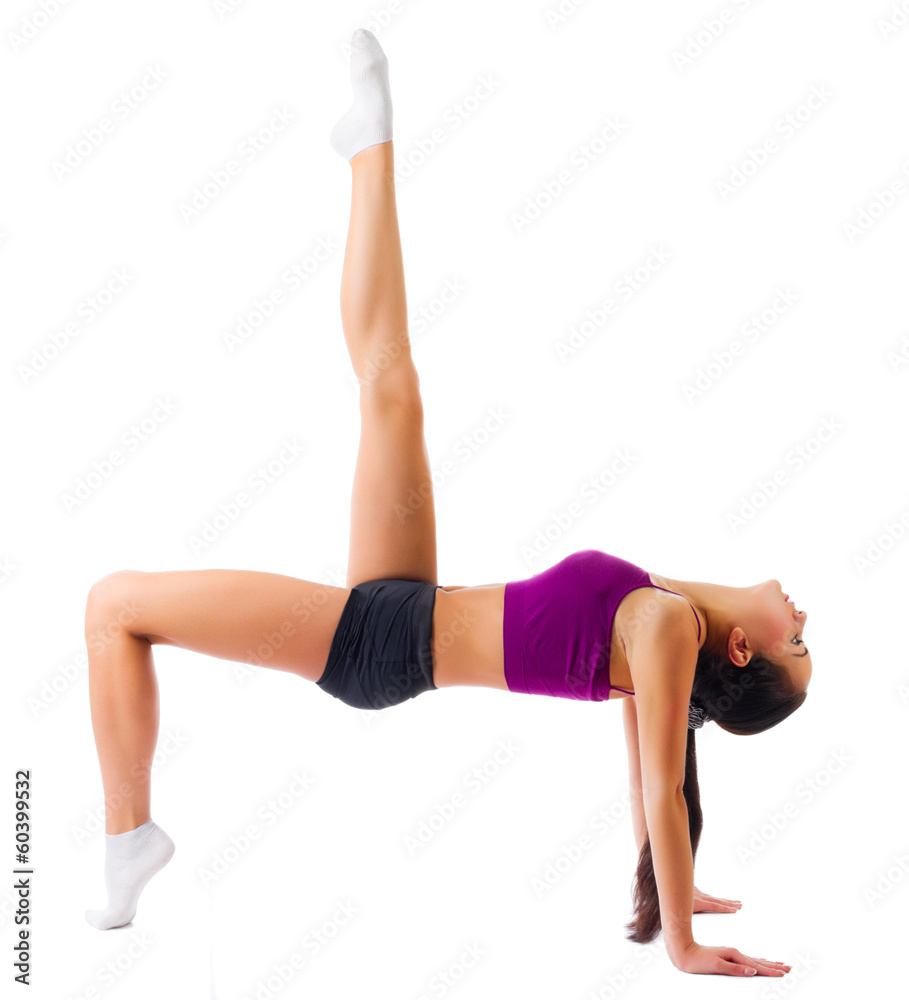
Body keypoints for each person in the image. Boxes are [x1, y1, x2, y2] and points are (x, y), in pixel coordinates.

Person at [83, 28, 809, 979]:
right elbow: (649, 784)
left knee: (113, 606)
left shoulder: (668, 629)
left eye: (795, 640)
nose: (801, 616)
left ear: (743, 649)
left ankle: (126, 839)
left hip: (372, 648)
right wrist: (674, 882)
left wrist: (680, 941)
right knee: (392, 384)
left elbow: (665, 795)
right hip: (409, 603)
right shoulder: (664, 624)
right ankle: (369, 145)